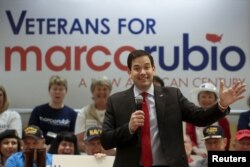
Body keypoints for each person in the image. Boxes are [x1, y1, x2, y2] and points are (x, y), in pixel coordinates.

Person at [101, 49, 246, 167]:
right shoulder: (116, 101)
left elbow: (200, 117)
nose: (143, 72)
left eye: (146, 67)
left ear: (154, 69)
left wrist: (222, 104)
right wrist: (129, 128)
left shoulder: (172, 95)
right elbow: (106, 141)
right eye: (137, 68)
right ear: (129, 72)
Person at [28, 75, 77, 146]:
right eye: (54, 89)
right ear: (49, 91)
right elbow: (31, 133)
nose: (57, 92)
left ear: (66, 92)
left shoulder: (72, 114)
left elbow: (73, 138)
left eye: (61, 89)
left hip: (63, 149)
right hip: (41, 148)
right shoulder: (38, 111)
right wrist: (42, 145)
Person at [186, 82, 231, 156]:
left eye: (210, 97)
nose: (207, 100)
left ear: (215, 100)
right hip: (197, 154)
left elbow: (227, 139)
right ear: (198, 99)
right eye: (203, 96)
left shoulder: (222, 119)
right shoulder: (192, 117)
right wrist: (197, 150)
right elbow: (189, 137)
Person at [75, 76, 112, 152]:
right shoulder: (83, 112)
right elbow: (79, 141)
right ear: (93, 92)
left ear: (109, 92)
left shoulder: (115, 112)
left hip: (110, 155)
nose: (102, 92)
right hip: (88, 155)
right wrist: (92, 150)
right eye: (98, 89)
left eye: (105, 89)